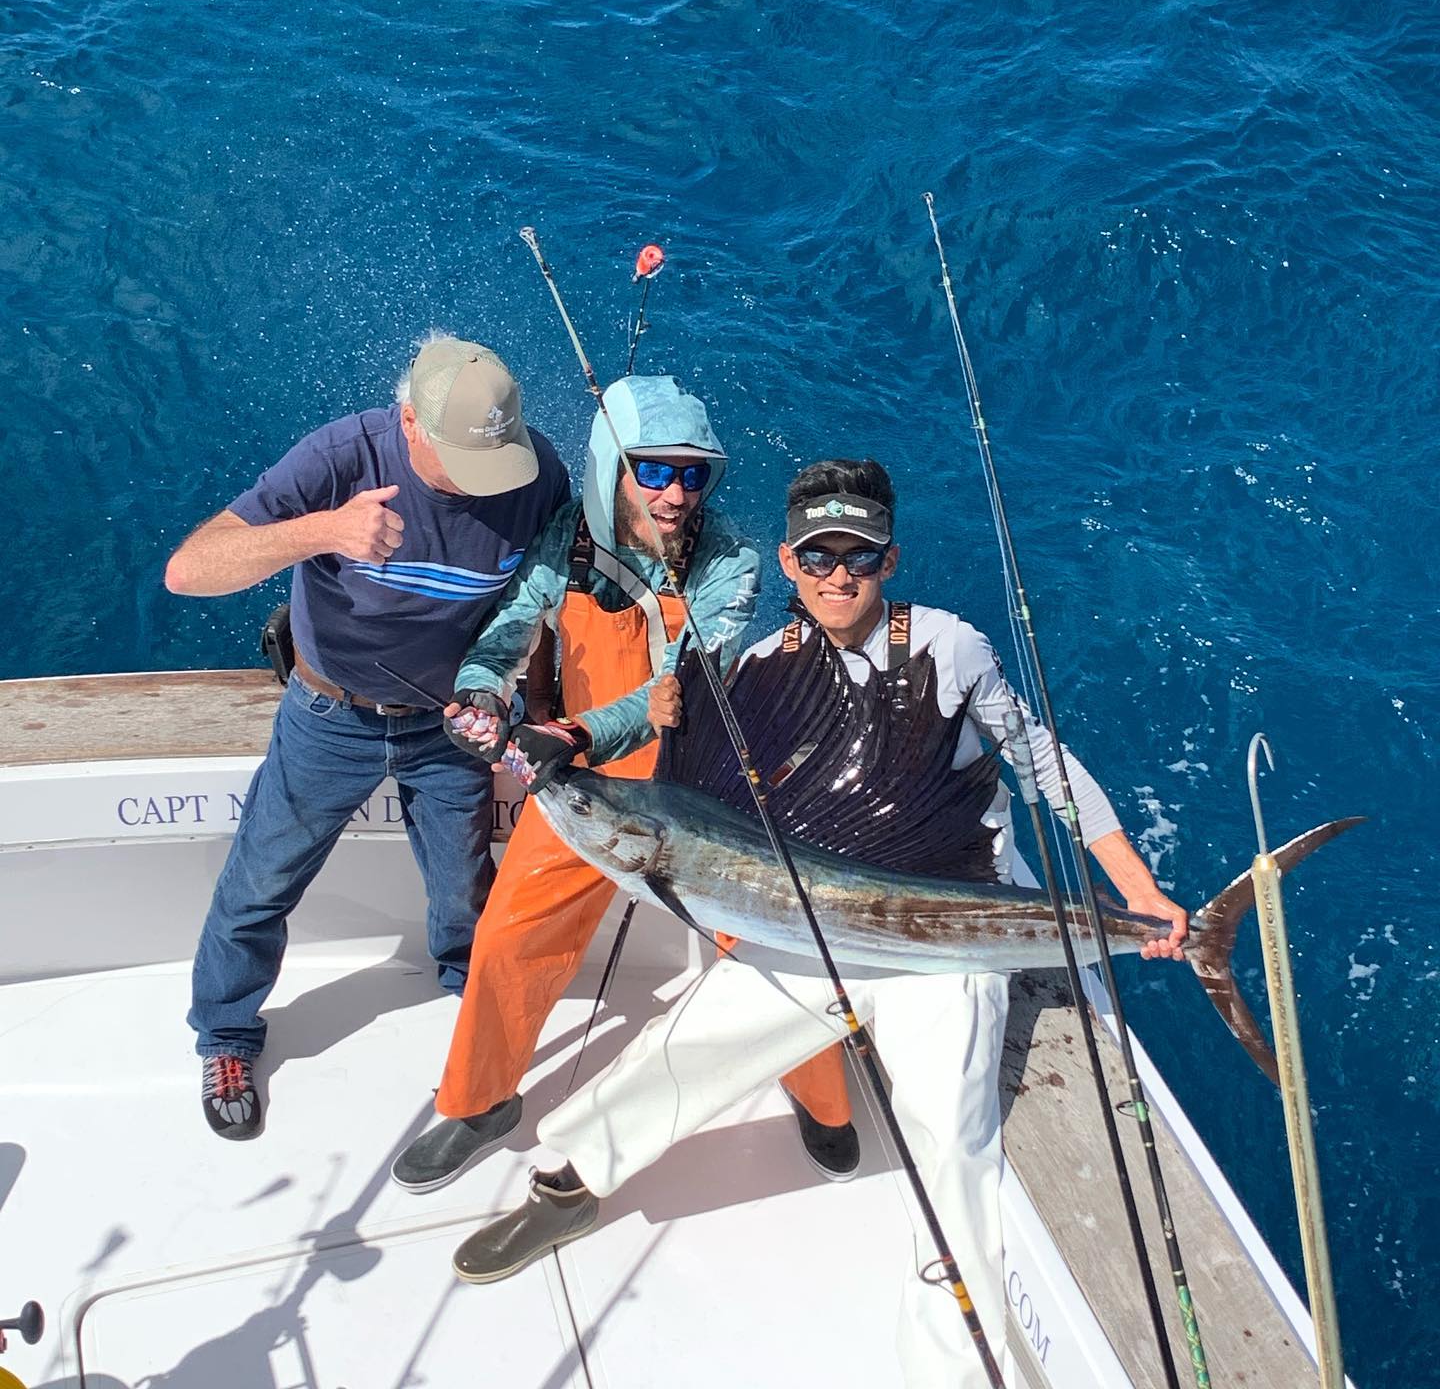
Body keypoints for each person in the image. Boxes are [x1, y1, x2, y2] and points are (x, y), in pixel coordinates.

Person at [446, 458, 1189, 1388]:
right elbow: (695, 790)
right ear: (790, 564)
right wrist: (587, 734)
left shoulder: (950, 645)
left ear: (890, 559)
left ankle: (949, 1368)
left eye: (860, 556)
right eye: (818, 556)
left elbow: (1040, 761)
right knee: (688, 1046)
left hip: (942, 938)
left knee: (952, 1141)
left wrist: (1136, 888)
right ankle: (573, 1182)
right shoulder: (759, 669)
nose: (839, 575)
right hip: (813, 923)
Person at [388, 376, 858, 1196]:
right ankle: (479, 1101)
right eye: (654, 471)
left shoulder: (732, 565)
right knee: (508, 936)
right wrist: (478, 690)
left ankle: (817, 1093)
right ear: (614, 468)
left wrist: (570, 733)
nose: (675, 494)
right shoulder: (565, 541)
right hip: (591, 786)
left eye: (692, 474)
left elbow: (677, 689)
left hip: (706, 787)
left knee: (779, 944)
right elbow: (507, 633)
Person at [165, 336, 569, 1141]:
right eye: (464, 459)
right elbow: (190, 568)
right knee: (262, 881)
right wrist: (322, 533)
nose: (486, 482)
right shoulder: (341, 456)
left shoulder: (535, 472)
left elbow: (542, 597)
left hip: (450, 722)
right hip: (329, 717)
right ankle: (227, 1031)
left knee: (463, 889)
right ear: (410, 421)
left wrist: (539, 705)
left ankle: (473, 1001)